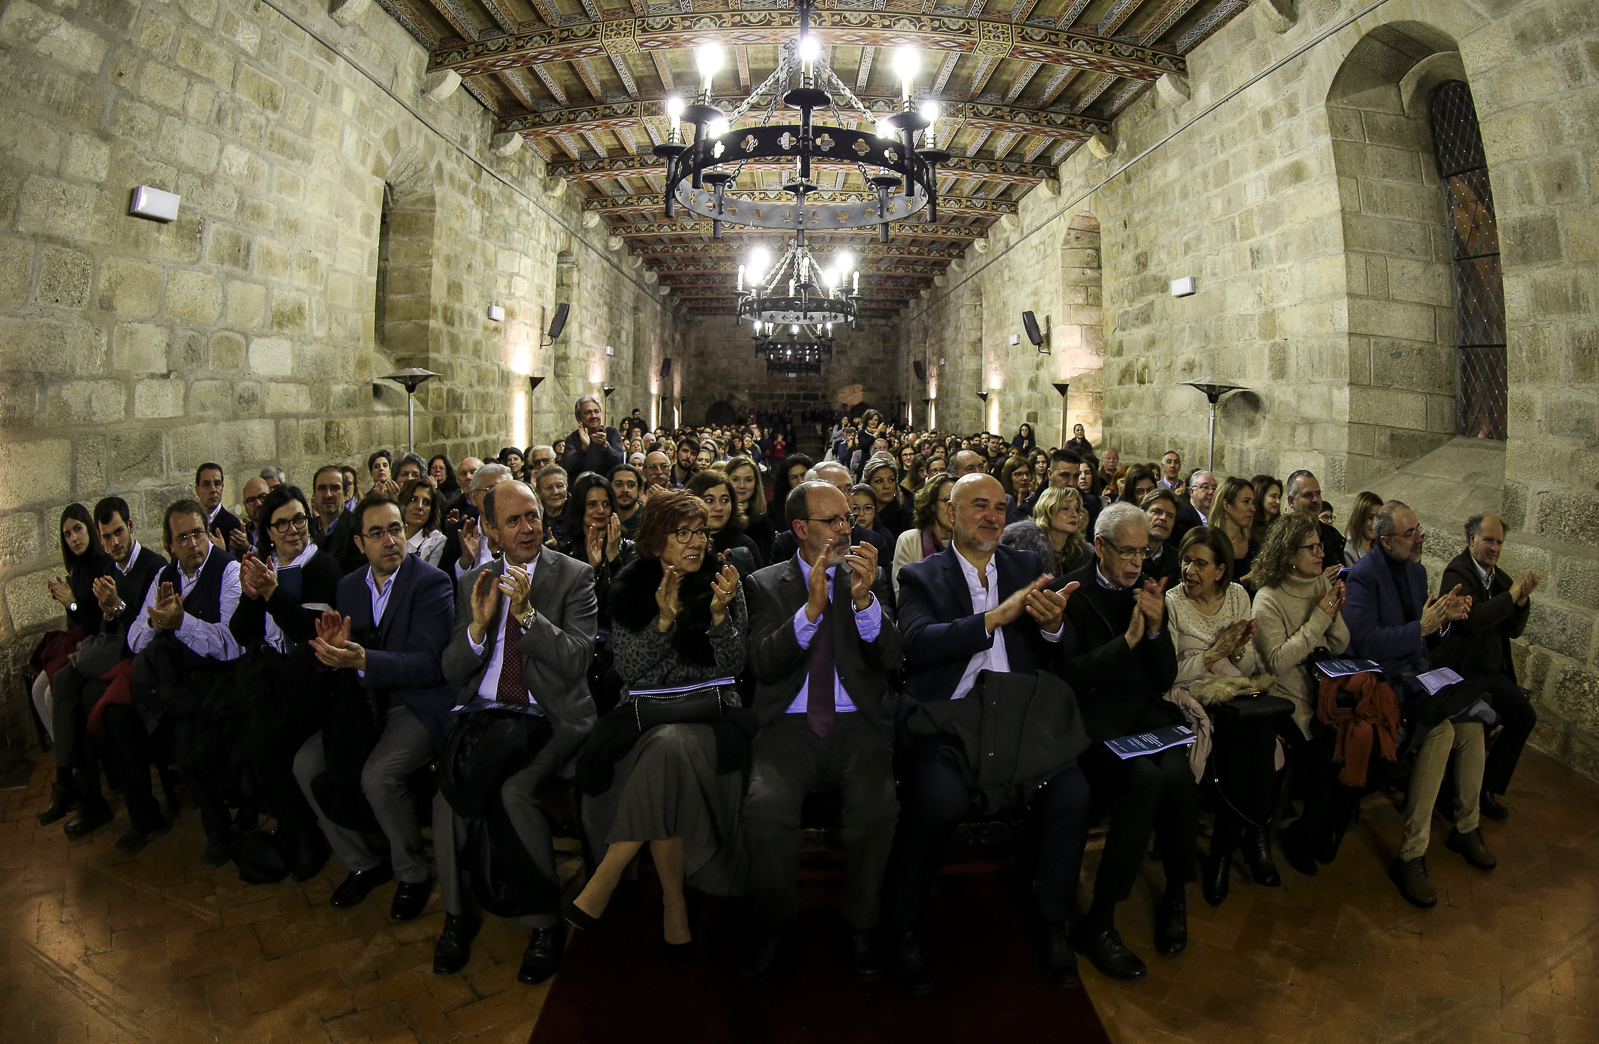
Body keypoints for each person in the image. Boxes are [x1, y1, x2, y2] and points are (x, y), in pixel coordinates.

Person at [889, 473, 1086, 993]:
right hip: (949, 721)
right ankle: (904, 926)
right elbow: (916, 643)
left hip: (1020, 721)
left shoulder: (1027, 567)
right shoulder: (922, 576)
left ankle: (1052, 924)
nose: (992, 516)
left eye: (1000, 507)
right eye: (979, 506)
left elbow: (1061, 650)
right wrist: (993, 618)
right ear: (951, 514)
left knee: (1071, 792)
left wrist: (1051, 626)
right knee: (937, 799)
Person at [432, 479, 598, 984]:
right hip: (485, 713)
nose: (528, 528)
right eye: (513, 521)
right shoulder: (473, 582)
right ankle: (457, 917)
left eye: (533, 516)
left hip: (546, 716)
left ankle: (543, 924)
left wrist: (527, 615)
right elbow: (451, 669)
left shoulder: (573, 576)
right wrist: (478, 629)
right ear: (490, 530)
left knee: (514, 792)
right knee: (446, 797)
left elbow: (576, 660)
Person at [568, 491, 747, 952]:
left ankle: (611, 874)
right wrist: (663, 622)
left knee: (667, 748)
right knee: (665, 751)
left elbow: (732, 668)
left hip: (710, 722)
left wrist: (719, 617)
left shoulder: (723, 583)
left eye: (701, 533)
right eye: (682, 533)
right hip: (645, 720)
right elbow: (628, 669)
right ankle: (674, 900)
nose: (695, 543)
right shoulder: (632, 586)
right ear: (655, 541)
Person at [739, 480, 901, 980]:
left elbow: (893, 657)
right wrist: (809, 611)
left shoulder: (865, 576)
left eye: (848, 519)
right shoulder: (765, 584)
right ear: (801, 529)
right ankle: (774, 925)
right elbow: (763, 664)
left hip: (856, 724)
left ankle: (860, 924)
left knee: (877, 807)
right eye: (832, 522)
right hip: (789, 725)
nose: (845, 529)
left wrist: (865, 603)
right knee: (765, 809)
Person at [291, 492, 456, 919]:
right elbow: (345, 659)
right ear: (360, 543)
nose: (390, 541)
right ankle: (363, 862)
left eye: (396, 529)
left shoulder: (430, 582)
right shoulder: (349, 586)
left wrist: (364, 659)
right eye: (378, 533)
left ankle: (412, 872)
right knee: (306, 765)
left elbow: (430, 665)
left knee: (378, 775)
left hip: (416, 704)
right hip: (364, 703)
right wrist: (333, 653)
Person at [1060, 502, 1194, 982]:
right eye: (1128, 552)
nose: (1138, 562)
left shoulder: (1149, 589)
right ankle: (1098, 922)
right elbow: (1069, 678)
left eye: (1145, 552)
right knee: (1143, 779)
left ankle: (1176, 893)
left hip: (1144, 712)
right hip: (1096, 721)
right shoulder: (1071, 593)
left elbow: (1165, 678)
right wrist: (1130, 640)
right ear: (1100, 546)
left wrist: (1157, 630)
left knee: (1178, 774)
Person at [1343, 501, 1486, 908]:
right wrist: (1420, 628)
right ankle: (1411, 855)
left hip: (1419, 674)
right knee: (1440, 732)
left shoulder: (1418, 571)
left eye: (1419, 530)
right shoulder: (1362, 578)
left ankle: (1466, 826)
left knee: (1473, 726)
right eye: (1410, 534)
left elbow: (1424, 640)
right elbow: (1365, 643)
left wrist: (1442, 624)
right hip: (1385, 681)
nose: (1419, 539)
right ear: (1385, 541)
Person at [111, 499, 245, 861]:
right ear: (169, 544)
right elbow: (135, 638)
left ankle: (218, 833)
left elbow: (231, 644)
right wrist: (157, 622)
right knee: (117, 718)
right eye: (182, 537)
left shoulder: (228, 570)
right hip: (173, 681)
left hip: (216, 678)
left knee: (185, 728)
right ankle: (146, 819)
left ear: (207, 534)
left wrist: (181, 623)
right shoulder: (164, 576)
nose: (192, 544)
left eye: (198, 533)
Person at [227, 484, 344, 880]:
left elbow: (310, 633)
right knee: (249, 731)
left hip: (313, 679)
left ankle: (304, 837)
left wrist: (272, 593)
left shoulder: (321, 566)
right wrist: (250, 595)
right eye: (281, 524)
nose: (292, 529)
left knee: (271, 740)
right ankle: (288, 828)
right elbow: (242, 632)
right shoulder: (265, 566)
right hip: (272, 674)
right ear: (268, 532)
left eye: (298, 519)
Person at [1163, 527, 1280, 907]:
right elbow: (1167, 671)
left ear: (1220, 569)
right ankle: (1233, 850)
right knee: (1241, 749)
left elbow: (1245, 665)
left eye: (1200, 563)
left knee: (1258, 740)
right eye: (1185, 560)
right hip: (1190, 692)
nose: (1189, 570)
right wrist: (1212, 655)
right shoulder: (1172, 601)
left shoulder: (1237, 596)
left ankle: (1240, 845)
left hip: (1232, 689)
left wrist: (1239, 648)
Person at [1248, 512, 1350, 876]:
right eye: (1311, 547)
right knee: (1329, 750)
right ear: (1289, 553)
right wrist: (1319, 620)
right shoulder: (1267, 599)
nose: (1320, 553)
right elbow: (1276, 662)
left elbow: (1340, 645)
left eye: (1321, 545)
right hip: (1286, 700)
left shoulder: (1320, 586)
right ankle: (1303, 835)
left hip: (1321, 693)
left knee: (1356, 741)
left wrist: (1333, 612)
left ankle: (1323, 830)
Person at [1437, 514, 1539, 821]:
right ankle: (1456, 793)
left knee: (1523, 717)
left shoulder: (1499, 578)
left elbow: (1513, 629)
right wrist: (1512, 596)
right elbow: (1475, 619)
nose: (1495, 548)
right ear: (1472, 540)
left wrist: (1520, 603)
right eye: (1489, 540)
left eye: (1499, 542)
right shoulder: (1459, 572)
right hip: (1464, 671)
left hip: (1491, 673)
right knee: (1495, 720)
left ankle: (1486, 788)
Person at [33, 505, 116, 830]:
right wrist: (70, 604)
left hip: (100, 651)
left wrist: (72, 602)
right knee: (40, 690)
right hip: (82, 647)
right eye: (67, 534)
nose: (73, 538)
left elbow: (100, 625)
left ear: (91, 531)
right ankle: (71, 770)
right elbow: (76, 624)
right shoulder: (78, 569)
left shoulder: (102, 564)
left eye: (77, 530)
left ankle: (74, 778)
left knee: (57, 695)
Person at [1001, 484, 1088, 578]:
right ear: (1048, 511)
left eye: (1076, 508)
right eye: (1065, 508)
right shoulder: (1024, 546)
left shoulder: (1081, 552)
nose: (1074, 514)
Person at [443, 463, 511, 581]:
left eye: (506, 490)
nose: (500, 496)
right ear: (474, 497)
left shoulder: (522, 530)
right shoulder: (457, 532)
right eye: (491, 489)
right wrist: (463, 563)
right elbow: (443, 583)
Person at [688, 470, 762, 576]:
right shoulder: (683, 542)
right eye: (709, 500)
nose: (719, 507)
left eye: (725, 500)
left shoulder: (745, 547)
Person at [892, 473, 954, 597]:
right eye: (947, 501)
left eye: (958, 502)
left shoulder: (970, 541)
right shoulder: (909, 541)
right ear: (932, 505)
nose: (953, 508)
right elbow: (904, 596)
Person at [1283, 470, 1347, 568]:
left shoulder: (1333, 535)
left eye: (1318, 494)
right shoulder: (1281, 535)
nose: (1315, 500)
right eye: (1308, 495)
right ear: (1291, 501)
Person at [309, 465, 363, 573]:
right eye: (322, 488)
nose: (328, 495)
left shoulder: (357, 527)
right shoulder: (310, 529)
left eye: (335, 488)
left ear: (346, 495)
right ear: (314, 495)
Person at [1208, 476, 1258, 586]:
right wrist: (1244, 580)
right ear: (1226, 505)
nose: (1253, 508)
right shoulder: (1208, 544)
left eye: (1253, 502)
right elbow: (1207, 585)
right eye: (1246, 501)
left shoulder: (1255, 548)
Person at [563, 394, 625, 478]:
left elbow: (619, 464)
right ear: (578, 418)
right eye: (588, 413)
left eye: (596, 411)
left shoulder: (612, 433)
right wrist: (583, 448)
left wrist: (605, 446)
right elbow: (568, 467)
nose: (593, 416)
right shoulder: (572, 439)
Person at [726, 456, 774, 562]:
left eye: (748, 480)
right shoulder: (718, 519)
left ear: (756, 484)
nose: (741, 485)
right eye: (735, 479)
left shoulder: (763, 523)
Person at [398, 478, 447, 567]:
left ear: (431, 511)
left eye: (426, 502)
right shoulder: (390, 537)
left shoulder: (436, 541)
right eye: (413, 499)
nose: (419, 507)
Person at [1139, 488, 1182, 588]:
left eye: (1170, 516)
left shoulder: (1177, 560)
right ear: (1142, 514)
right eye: (1157, 511)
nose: (1163, 518)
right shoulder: (1125, 552)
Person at [195, 463, 244, 549]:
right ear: (197, 490)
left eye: (217, 484)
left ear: (222, 487)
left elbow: (238, 560)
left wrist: (222, 553)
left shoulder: (232, 525)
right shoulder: (192, 521)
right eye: (206, 484)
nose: (213, 489)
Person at [767, 454, 815, 532]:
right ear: (787, 481)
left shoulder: (823, 501)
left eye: (804, 475)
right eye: (794, 477)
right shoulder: (775, 508)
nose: (800, 480)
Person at [865, 458, 913, 535]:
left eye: (891, 480)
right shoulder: (861, 514)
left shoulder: (907, 518)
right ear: (868, 484)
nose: (887, 486)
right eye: (879, 481)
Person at [1343, 490, 1383, 566]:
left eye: (1379, 518)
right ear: (1359, 518)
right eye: (1371, 518)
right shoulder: (1349, 551)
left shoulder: (1381, 546)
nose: (1376, 523)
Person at [608, 462, 645, 540]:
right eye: (618, 485)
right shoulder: (604, 515)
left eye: (631, 485)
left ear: (640, 489)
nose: (625, 490)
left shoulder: (648, 517)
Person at [237, 476, 271, 556]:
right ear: (245, 505)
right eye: (251, 500)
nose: (258, 503)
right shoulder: (242, 534)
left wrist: (248, 548)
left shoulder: (281, 528)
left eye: (263, 497)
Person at [1000, 456, 1036, 525]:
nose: (1025, 478)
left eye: (1027, 473)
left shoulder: (1034, 499)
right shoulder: (1003, 501)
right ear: (1008, 477)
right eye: (1018, 474)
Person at [1249, 474, 1282, 544]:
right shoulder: (1248, 527)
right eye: (1273, 496)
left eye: (1279, 497)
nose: (1278, 502)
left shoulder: (1280, 526)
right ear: (1260, 496)